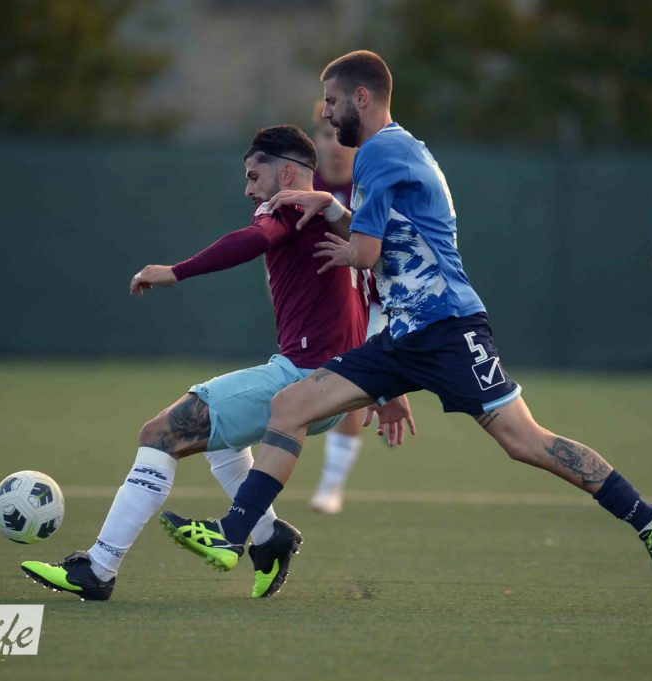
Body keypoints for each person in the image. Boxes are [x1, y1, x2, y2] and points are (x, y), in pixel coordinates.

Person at [161, 50, 652, 590]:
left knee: (525, 441)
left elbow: (367, 253)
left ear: (362, 97)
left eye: (333, 101)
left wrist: (342, 244)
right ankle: (233, 533)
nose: (327, 114)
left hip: (449, 328)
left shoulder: (377, 152)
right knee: (290, 405)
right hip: (403, 335)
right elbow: (392, 234)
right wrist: (334, 209)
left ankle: (649, 518)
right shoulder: (399, 147)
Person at [20, 124, 386, 601]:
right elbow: (378, 291)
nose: (249, 189)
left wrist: (176, 271)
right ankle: (268, 537)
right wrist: (382, 383)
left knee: (160, 433)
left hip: (301, 380)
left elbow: (253, 240)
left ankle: (99, 568)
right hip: (333, 388)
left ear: (287, 174)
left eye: (254, 176)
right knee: (221, 444)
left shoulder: (291, 208)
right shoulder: (345, 224)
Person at [308, 99, 387, 514]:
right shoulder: (307, 187)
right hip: (320, 306)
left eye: (342, 136)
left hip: (371, 306)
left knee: (347, 387)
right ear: (316, 139)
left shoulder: (369, 184)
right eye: (327, 134)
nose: (335, 144)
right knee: (299, 389)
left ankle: (330, 486)